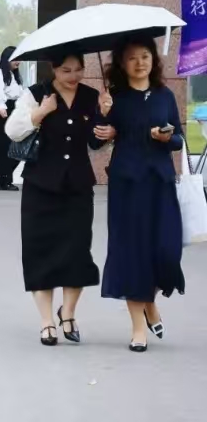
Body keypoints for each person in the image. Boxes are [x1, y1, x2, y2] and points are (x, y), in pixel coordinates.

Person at [6, 51, 106, 347]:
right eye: (66, 70)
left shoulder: (91, 96)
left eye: (78, 70)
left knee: (77, 252)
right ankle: (46, 321)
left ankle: (69, 313)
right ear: (53, 69)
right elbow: (12, 130)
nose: (73, 76)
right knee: (41, 251)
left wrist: (105, 119)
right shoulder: (36, 94)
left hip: (78, 186)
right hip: (40, 185)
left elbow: (95, 142)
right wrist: (40, 113)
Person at [99, 37, 186, 352]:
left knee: (166, 248)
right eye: (133, 58)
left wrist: (166, 138)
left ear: (153, 60)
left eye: (145, 56)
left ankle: (150, 302)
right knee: (132, 251)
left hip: (160, 182)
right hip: (127, 184)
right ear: (123, 64)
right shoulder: (115, 98)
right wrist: (104, 115)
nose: (140, 63)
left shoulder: (165, 95)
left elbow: (179, 139)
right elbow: (96, 140)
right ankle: (138, 327)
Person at [0, 46, 25, 191]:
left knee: (18, 146)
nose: (18, 62)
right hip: (3, 111)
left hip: (14, 110)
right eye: (15, 59)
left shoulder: (14, 75)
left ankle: (0, 170)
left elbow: (19, 94)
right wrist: (2, 107)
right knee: (5, 147)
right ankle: (5, 179)